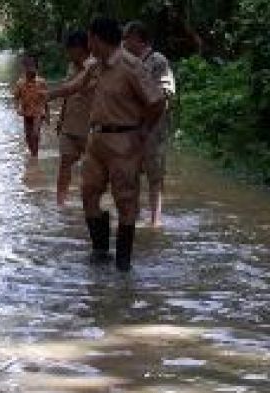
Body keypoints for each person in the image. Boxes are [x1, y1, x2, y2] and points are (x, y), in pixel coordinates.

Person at [45, 17, 165, 271]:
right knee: (88, 192)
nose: (88, 44)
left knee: (125, 200)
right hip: (96, 139)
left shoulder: (131, 66)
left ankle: (123, 265)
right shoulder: (96, 65)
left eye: (90, 39)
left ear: (98, 39)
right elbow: (77, 85)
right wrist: (49, 95)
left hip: (124, 141)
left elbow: (156, 102)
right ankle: (100, 253)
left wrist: (143, 132)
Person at [123, 21, 176, 227]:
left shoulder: (157, 60)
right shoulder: (129, 61)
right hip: (131, 128)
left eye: (127, 38)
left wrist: (148, 124)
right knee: (131, 174)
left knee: (155, 176)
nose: (124, 42)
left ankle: (155, 221)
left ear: (138, 38)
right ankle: (134, 216)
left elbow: (166, 94)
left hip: (154, 129)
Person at [45, 31, 98, 206]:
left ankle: (90, 204)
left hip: (90, 127)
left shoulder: (95, 66)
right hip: (69, 125)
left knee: (92, 170)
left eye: (71, 50)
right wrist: (60, 119)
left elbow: (75, 89)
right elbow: (68, 96)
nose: (69, 54)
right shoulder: (71, 66)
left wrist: (50, 94)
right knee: (64, 164)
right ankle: (61, 203)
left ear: (80, 48)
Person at [12, 56, 49, 158]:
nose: (30, 70)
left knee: (35, 134)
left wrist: (47, 115)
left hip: (38, 112)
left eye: (32, 67)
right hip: (26, 113)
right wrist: (17, 108)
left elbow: (46, 99)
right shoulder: (20, 83)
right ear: (24, 68)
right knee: (28, 137)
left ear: (36, 68)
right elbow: (16, 98)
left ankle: (35, 156)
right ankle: (33, 153)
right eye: (28, 68)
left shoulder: (41, 82)